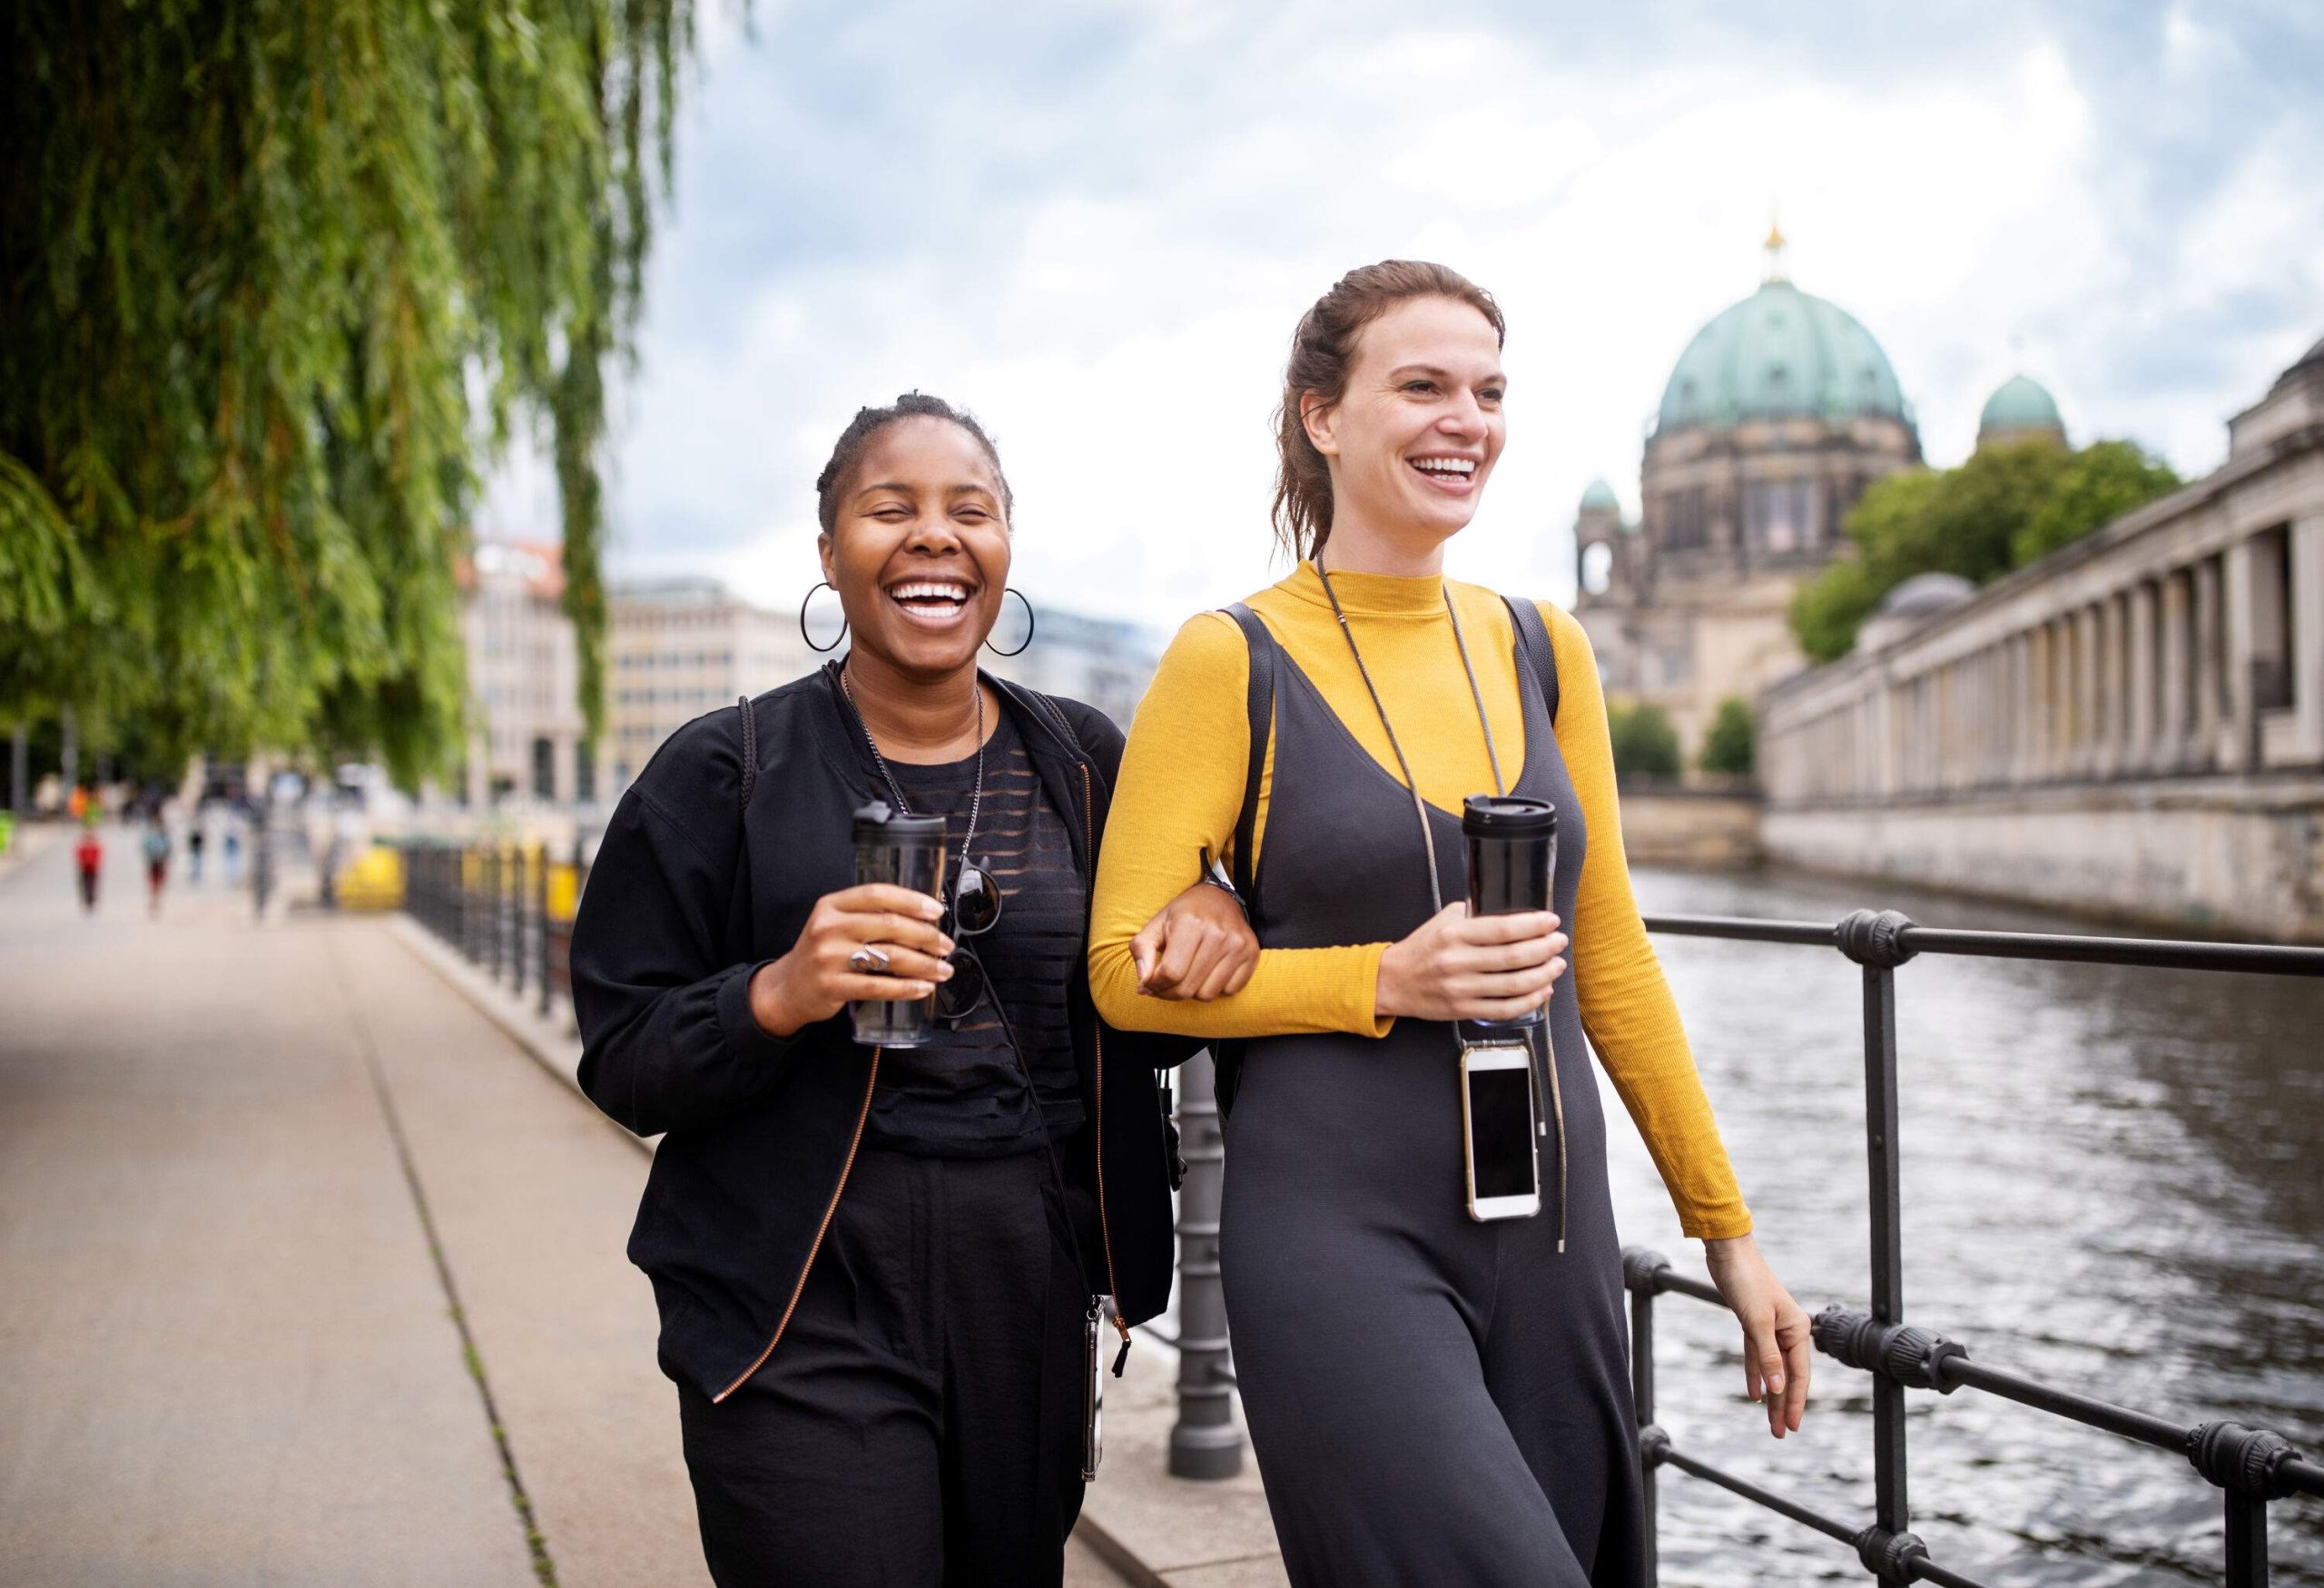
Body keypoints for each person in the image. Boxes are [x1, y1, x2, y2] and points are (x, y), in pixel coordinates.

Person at [1089, 261, 1814, 1587]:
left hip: (1556, 1236)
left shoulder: (1546, 646)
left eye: (1487, 391)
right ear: (1323, 415)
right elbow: (1120, 978)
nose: (1463, 419)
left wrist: (1729, 1233)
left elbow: (1612, 958)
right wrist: (1384, 975)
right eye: (1420, 385)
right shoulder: (1228, 657)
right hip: (1338, 1234)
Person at [570, 392, 1258, 1587]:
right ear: (831, 553)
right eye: (891, 509)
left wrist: (1214, 905)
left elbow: (1155, 1001)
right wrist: (776, 994)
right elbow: (622, 1056)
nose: (936, 535)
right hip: (800, 1293)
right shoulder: (722, 770)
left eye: (970, 512)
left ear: (1004, 553)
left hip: (1027, 1289)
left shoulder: (1090, 763)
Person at [141, 814, 171, 916]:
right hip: (153, 860)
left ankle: (156, 900)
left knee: (159, 881)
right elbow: (145, 846)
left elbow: (168, 847)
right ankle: (153, 900)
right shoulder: (150, 834)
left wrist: (165, 856)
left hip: (160, 860)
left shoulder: (163, 834)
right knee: (153, 882)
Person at [74, 824, 103, 913]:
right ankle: (86, 898)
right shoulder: (82, 847)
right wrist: (83, 862)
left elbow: (98, 855)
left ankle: (91, 898)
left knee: (92, 884)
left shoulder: (95, 846)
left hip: (93, 869)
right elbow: (78, 856)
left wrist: (93, 862)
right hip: (84, 869)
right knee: (84, 884)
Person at [187, 819, 206, 883]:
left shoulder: (199, 832)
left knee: (198, 863)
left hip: (198, 849)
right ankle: (194, 875)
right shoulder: (193, 833)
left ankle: (197, 876)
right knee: (194, 863)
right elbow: (191, 841)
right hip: (194, 849)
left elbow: (202, 840)